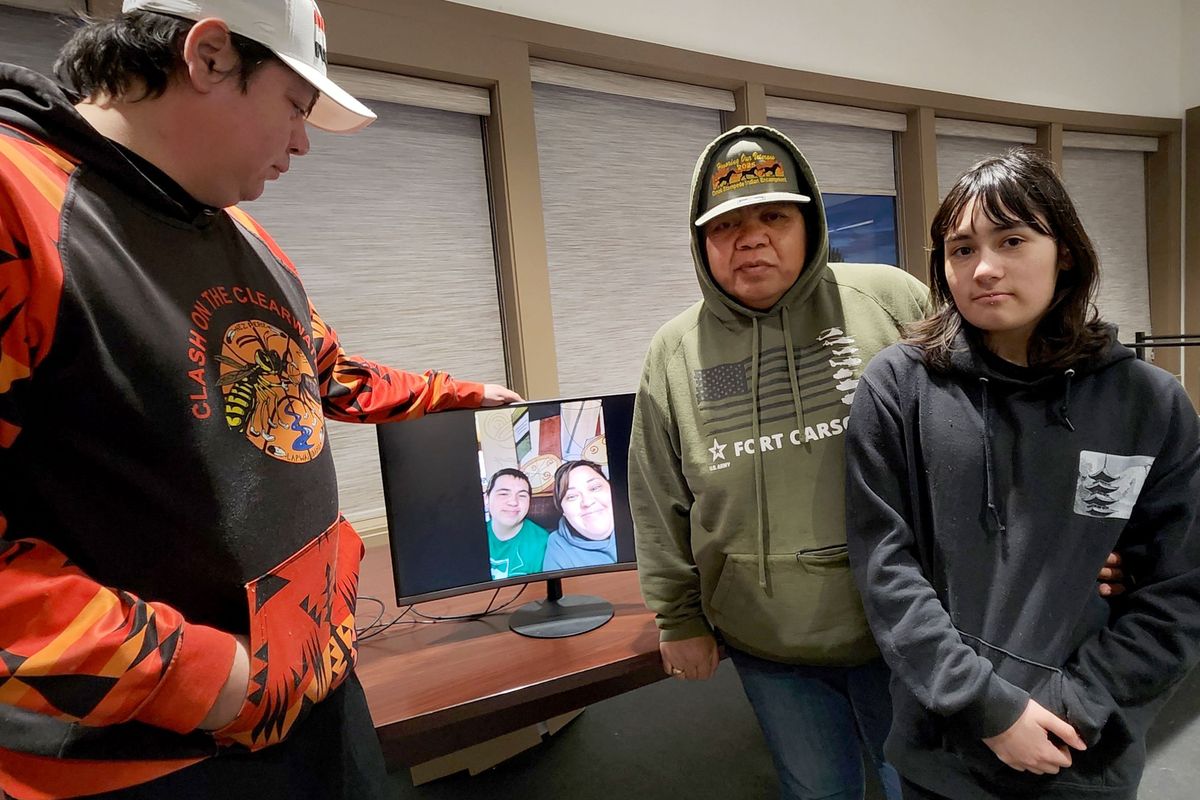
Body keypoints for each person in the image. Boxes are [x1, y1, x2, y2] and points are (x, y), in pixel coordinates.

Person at [0, 2, 519, 798]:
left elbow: (319, 372)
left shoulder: (242, 231)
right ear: (208, 57)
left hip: (312, 696)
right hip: (145, 757)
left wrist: (457, 396)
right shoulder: (20, 204)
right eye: (295, 107)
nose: (302, 141)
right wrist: (216, 679)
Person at [844, 148, 1200, 800]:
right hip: (942, 749)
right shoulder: (896, 389)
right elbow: (885, 569)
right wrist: (988, 707)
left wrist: (1076, 704)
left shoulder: (1148, 403)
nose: (983, 268)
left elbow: (1178, 590)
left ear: (1064, 250)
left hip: (1081, 753)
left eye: (1012, 240)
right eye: (960, 249)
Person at [629, 125, 933, 800]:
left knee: (919, 787)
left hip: (905, 628)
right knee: (818, 792)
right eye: (728, 223)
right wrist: (677, 619)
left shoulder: (892, 301)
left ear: (810, 222)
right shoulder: (675, 351)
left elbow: (976, 433)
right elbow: (658, 497)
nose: (752, 237)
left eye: (774, 216)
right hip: (770, 643)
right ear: (702, 240)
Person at [542, 459, 617, 570]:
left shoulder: (642, 522)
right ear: (563, 510)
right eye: (572, 496)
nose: (587, 502)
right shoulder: (558, 547)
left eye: (594, 488)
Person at [485, 468, 550, 578]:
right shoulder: (469, 538)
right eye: (504, 494)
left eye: (522, 496)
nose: (513, 502)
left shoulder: (544, 543)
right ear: (487, 499)